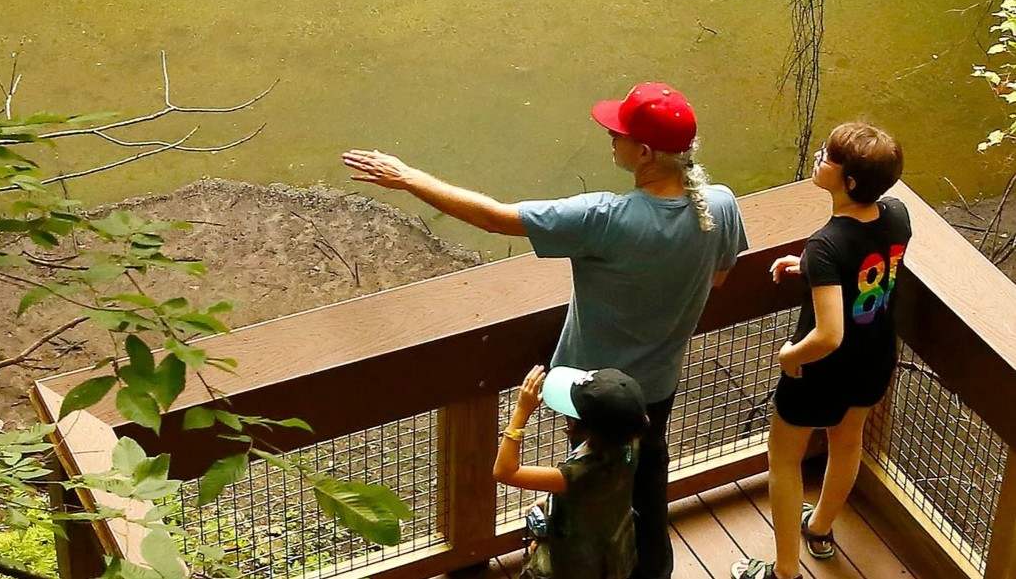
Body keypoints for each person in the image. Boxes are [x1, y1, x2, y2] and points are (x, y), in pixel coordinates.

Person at [343, 82, 749, 579]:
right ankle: (651, 569)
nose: (610, 138)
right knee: (644, 485)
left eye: (618, 133)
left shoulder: (605, 218)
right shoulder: (721, 205)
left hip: (587, 390)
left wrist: (407, 178)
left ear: (645, 153)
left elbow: (495, 218)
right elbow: (719, 277)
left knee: (587, 480)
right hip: (657, 385)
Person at [732, 123, 909, 579]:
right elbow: (867, 264)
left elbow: (829, 335)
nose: (818, 157)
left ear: (848, 181)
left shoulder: (827, 243)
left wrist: (791, 357)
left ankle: (784, 570)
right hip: (874, 359)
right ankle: (821, 527)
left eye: (827, 156)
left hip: (821, 371)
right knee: (847, 443)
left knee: (784, 459)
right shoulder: (896, 215)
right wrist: (811, 268)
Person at [494, 364, 649, 579]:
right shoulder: (630, 441)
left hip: (574, 565)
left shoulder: (578, 473)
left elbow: (504, 471)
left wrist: (521, 411)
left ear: (581, 426)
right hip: (613, 551)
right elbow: (596, 493)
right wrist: (551, 502)